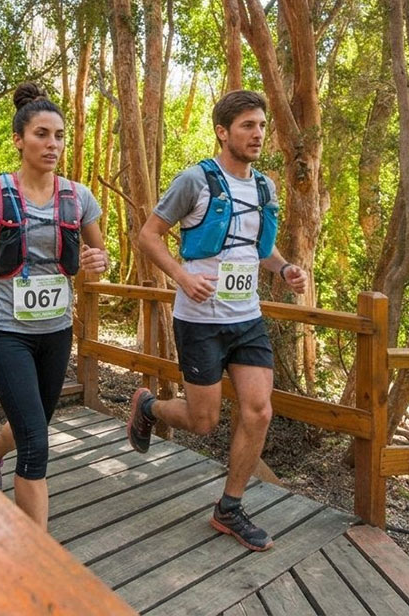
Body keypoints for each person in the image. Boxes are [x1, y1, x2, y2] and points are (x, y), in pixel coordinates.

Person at [129, 90, 308, 551]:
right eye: (248, 125)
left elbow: (259, 249)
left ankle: (229, 507)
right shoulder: (195, 181)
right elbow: (148, 236)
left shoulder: (265, 188)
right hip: (200, 321)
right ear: (223, 132)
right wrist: (182, 277)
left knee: (259, 410)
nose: (258, 134)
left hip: (247, 318)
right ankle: (149, 408)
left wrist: (284, 269)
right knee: (203, 420)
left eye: (262, 125)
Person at [0, 82, 108, 529]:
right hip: (5, 332)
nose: (52, 144)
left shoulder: (79, 197)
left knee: (32, 423)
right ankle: (37, 553)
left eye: (59, 136)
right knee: (36, 442)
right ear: (19, 139)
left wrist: (98, 261)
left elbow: (99, 256)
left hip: (57, 332)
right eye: (41, 134)